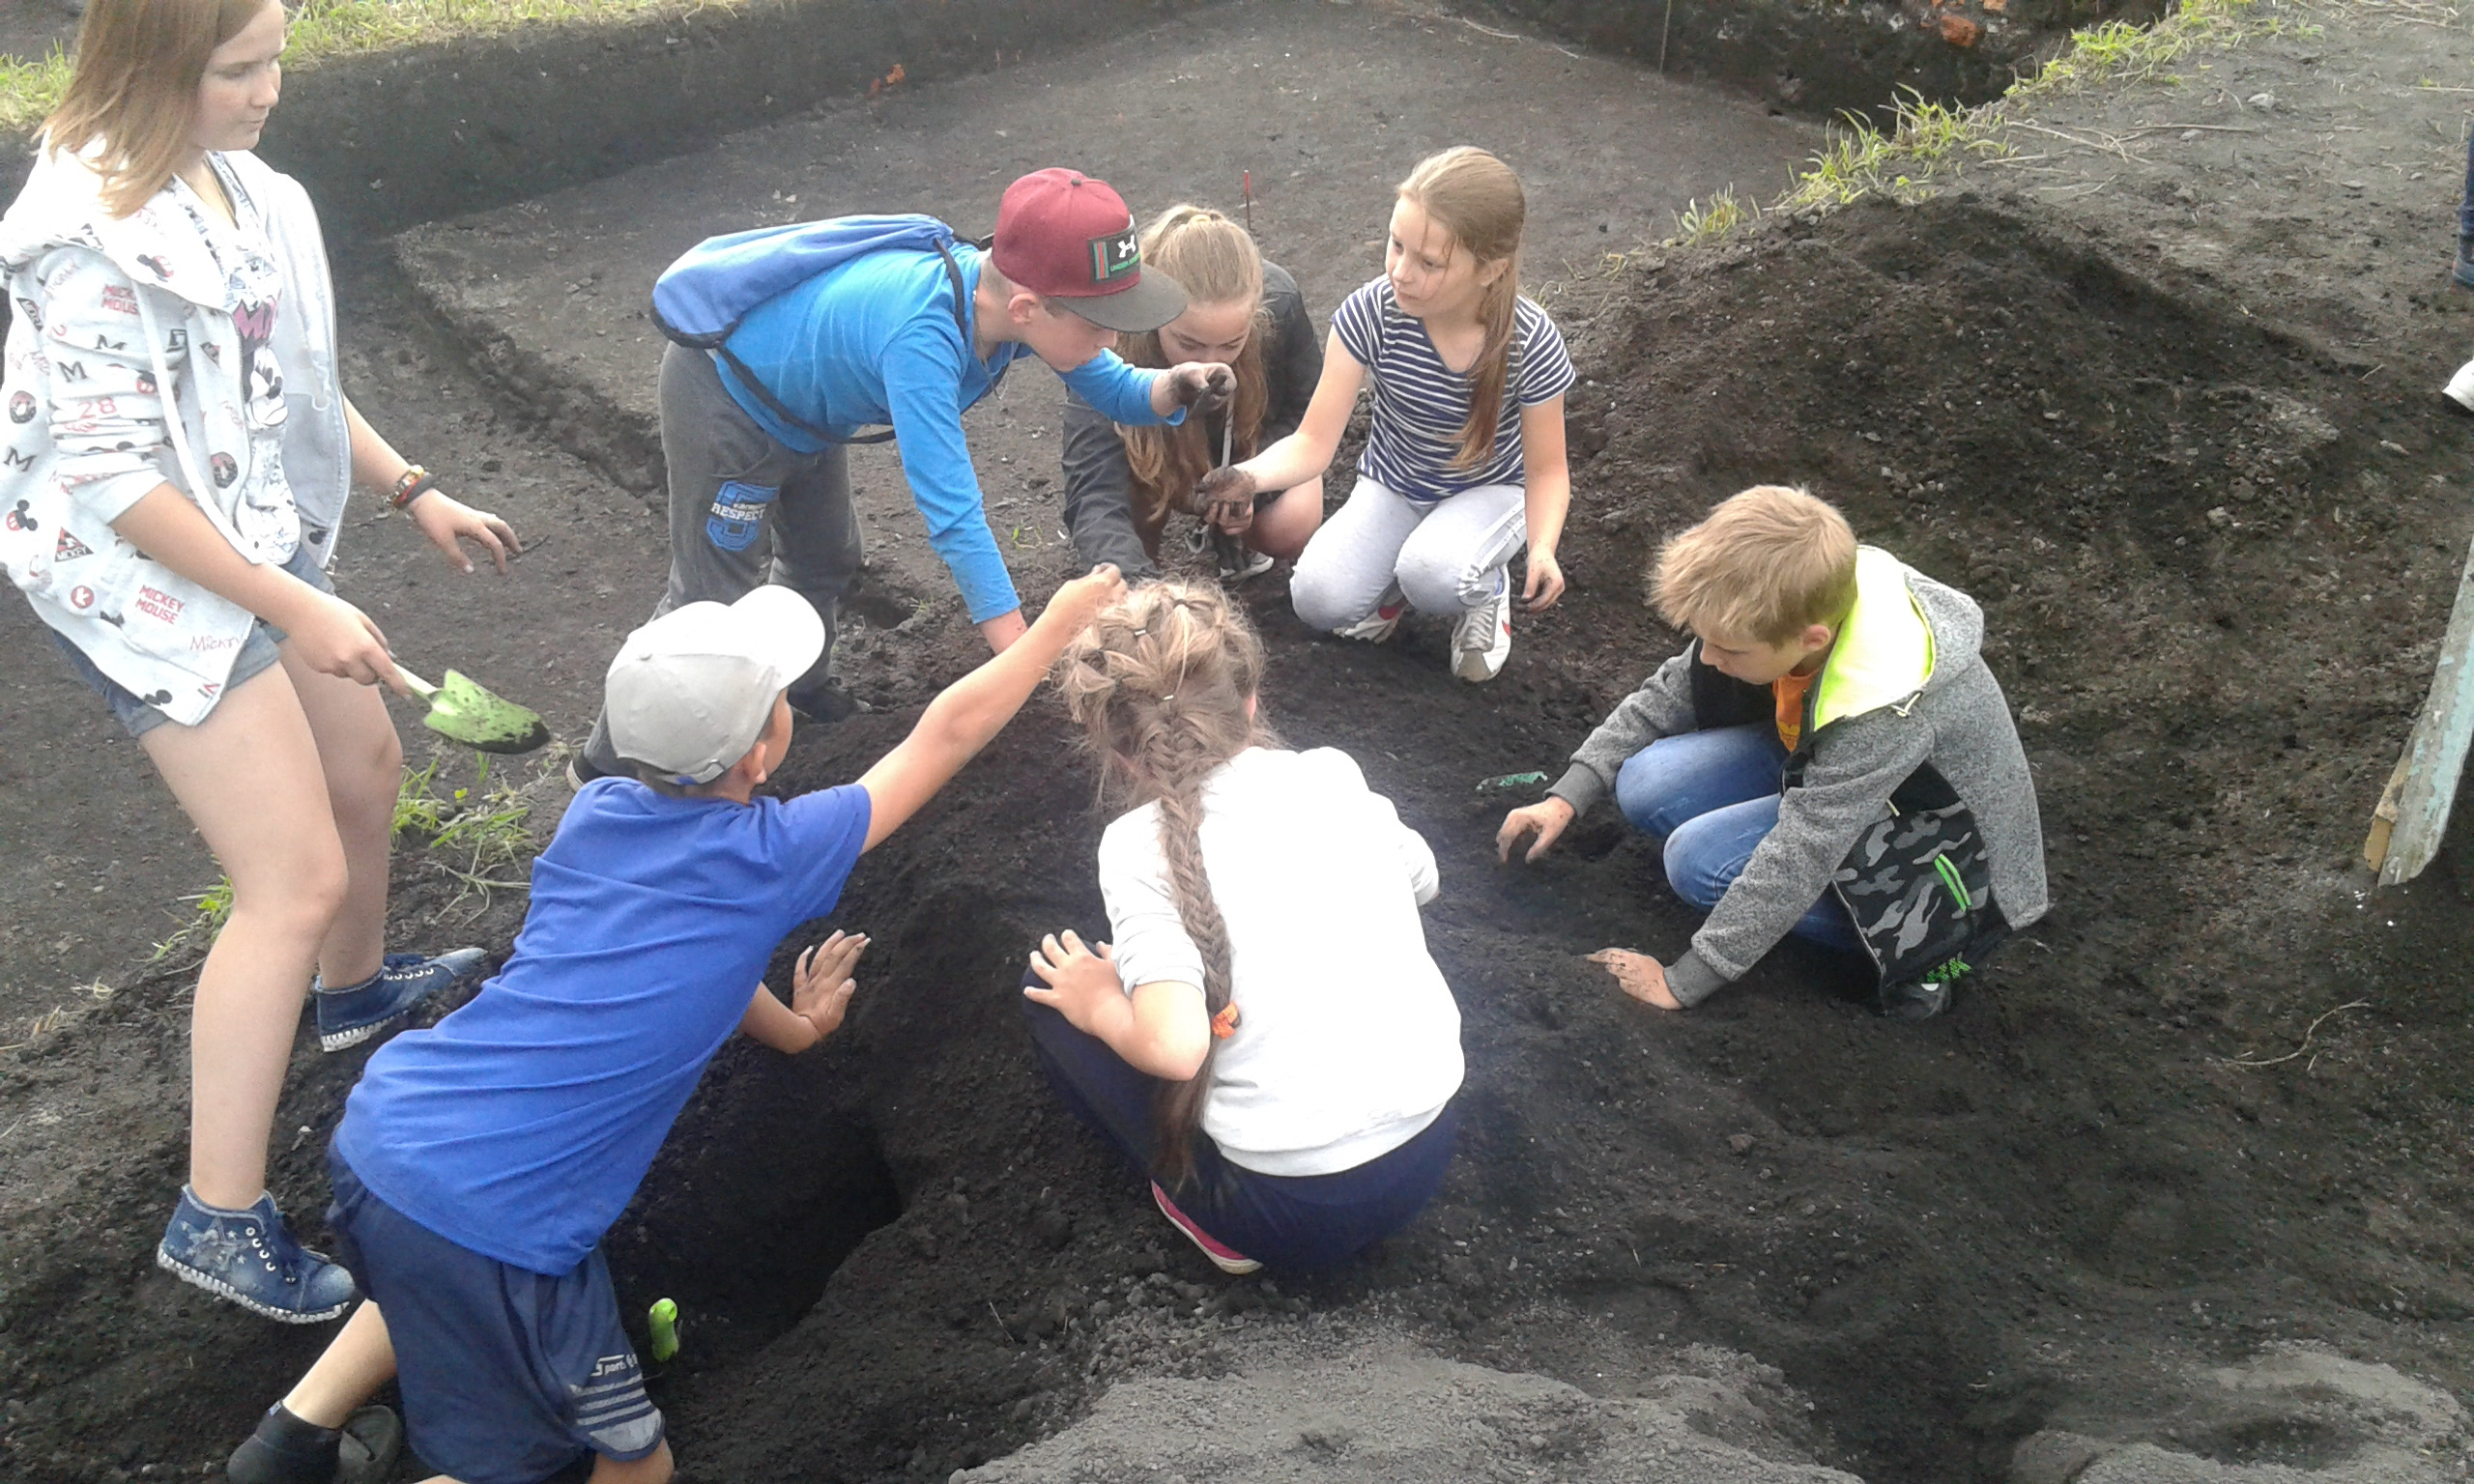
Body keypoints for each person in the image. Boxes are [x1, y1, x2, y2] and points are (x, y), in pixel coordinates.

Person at [221, 565, 1128, 1484]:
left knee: (428, 1270)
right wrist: (1054, 626)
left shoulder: (595, 813)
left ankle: (289, 1440)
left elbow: (701, 967)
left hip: (395, 1127)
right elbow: (952, 731)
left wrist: (800, 1032)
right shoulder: (772, 854)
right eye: (778, 696)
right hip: (506, 1222)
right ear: (762, 753)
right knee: (631, 1471)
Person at [0, 0, 522, 1319]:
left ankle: (352, 996)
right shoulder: (78, 246)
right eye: (238, 68)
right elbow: (114, 483)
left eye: (278, 54)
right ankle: (217, 1217)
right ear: (155, 64)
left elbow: (281, 370)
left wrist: (414, 491)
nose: (270, 88)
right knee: (288, 877)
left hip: (244, 534)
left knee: (368, 759)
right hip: (141, 578)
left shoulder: (242, 191)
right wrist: (291, 608)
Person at [573, 168, 1232, 784]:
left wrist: (1176, 385)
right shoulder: (922, 339)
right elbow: (952, 513)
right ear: (1030, 309)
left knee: (826, 558)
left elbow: (1112, 385)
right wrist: (1026, 657)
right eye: (1100, 324)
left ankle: (794, 691)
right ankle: (604, 770)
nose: (1113, 341)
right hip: (729, 403)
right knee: (709, 598)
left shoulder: (1004, 305)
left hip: (808, 411)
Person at [1025, 582, 1462, 1273]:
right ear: (1251, 698)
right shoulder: (1330, 773)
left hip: (1286, 1214)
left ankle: (1218, 1233)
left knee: (1049, 990)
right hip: (1428, 1154)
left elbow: (1174, 1050)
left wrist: (1101, 1004)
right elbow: (1425, 882)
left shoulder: (1135, 845)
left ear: (1117, 752)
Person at [1496, 486, 2047, 1022]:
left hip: (1949, 869)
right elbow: (1670, 691)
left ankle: (1927, 964)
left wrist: (1684, 981)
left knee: (1697, 862)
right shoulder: (1788, 599)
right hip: (1836, 772)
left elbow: (1803, 851)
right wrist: (1565, 798)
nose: (1707, 659)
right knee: (1647, 781)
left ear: (1809, 639)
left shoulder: (1886, 706)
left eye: (1729, 649)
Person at [1192, 146, 1574, 682]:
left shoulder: (1530, 342)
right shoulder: (1370, 314)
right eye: (1396, 245)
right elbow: (1314, 442)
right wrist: (1246, 478)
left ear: (1490, 270)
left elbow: (1547, 471)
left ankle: (1485, 590)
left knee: (1435, 575)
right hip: (1395, 485)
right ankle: (1391, 590)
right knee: (1317, 599)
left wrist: (1543, 549)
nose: (1400, 271)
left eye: (1429, 262)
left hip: (1491, 493)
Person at [1058, 204, 1323, 583]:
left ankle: (1237, 540)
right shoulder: (1108, 337)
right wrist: (1134, 589)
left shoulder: (1279, 302)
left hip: (1246, 451)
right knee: (1125, 529)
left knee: (1291, 523)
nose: (1212, 365)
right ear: (1153, 316)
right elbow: (1093, 484)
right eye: (1189, 343)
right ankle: (1143, 571)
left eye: (1232, 344)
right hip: (1158, 460)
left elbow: (1308, 417)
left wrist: (1251, 484)